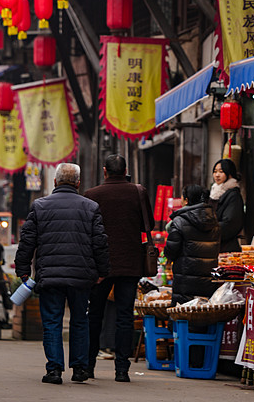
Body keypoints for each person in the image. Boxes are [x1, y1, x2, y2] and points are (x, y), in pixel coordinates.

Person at [15, 163, 110, 386]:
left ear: (55, 182)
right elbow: (100, 243)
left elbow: (27, 241)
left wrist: (23, 270)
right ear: (78, 183)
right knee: (80, 321)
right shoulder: (91, 207)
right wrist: (102, 271)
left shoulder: (39, 205)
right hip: (81, 276)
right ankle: (79, 369)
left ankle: (54, 370)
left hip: (50, 276)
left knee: (52, 322)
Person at [84, 154, 154, 383]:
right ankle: (122, 370)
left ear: (105, 171)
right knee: (124, 316)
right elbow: (148, 225)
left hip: (99, 266)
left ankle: (88, 366)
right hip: (130, 264)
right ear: (125, 170)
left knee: (95, 316)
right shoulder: (138, 192)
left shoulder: (92, 196)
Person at [164, 184, 220, 305]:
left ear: (187, 200)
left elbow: (170, 251)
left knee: (183, 316)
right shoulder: (214, 221)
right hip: (208, 280)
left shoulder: (179, 221)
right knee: (203, 314)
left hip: (185, 282)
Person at [210, 159, 244, 253]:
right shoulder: (213, 192)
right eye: (215, 171)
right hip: (214, 244)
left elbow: (230, 223)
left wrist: (209, 231)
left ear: (229, 173)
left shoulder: (233, 195)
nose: (217, 175)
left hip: (227, 248)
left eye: (221, 172)